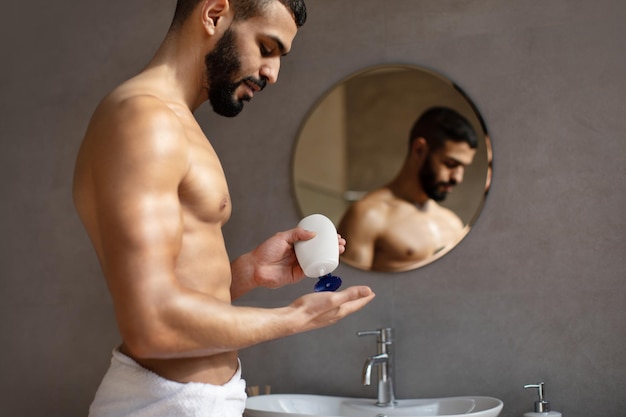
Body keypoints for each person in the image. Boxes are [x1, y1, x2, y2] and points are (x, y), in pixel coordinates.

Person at [72, 1, 375, 416]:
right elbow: (151, 324)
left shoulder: (174, 122)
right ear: (214, 14)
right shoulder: (144, 120)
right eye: (267, 48)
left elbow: (174, 291)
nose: (273, 73)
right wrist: (293, 319)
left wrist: (248, 272)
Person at [338, 107, 478, 272]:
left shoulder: (453, 222)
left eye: (463, 167)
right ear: (419, 150)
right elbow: (349, 293)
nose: (458, 178)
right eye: (450, 164)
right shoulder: (368, 215)